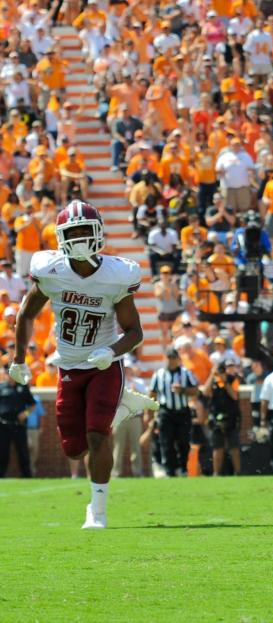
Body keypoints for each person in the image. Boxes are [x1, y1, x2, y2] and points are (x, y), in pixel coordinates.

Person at [11, 200, 145, 528]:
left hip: (102, 366)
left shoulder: (116, 275)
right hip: (69, 366)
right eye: (75, 232)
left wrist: (111, 352)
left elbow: (135, 331)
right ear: (61, 237)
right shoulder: (51, 271)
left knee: (98, 435)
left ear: (99, 232)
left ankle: (97, 511)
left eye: (87, 230)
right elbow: (26, 313)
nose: (82, 238)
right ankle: (122, 405)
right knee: (73, 450)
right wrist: (18, 358)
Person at [150, 348, 199, 477]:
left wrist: (183, 390)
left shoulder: (186, 373)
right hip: (165, 412)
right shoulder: (158, 375)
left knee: (184, 441)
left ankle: (183, 468)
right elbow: (152, 394)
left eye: (173, 358)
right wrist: (149, 414)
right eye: (169, 358)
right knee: (166, 442)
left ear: (178, 359)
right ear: (165, 359)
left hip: (182, 411)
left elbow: (195, 390)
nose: (171, 361)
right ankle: (169, 471)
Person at [202, 360, 242, 476]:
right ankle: (216, 473)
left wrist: (224, 381)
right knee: (217, 447)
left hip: (232, 418)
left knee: (234, 447)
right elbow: (205, 392)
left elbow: (234, 395)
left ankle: (238, 472)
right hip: (216, 418)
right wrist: (212, 374)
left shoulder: (233, 380)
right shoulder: (213, 382)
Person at [0, 365, 35, 477]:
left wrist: (25, 414)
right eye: (8, 373)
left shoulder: (23, 387)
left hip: (19, 425)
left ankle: (27, 476)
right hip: (3, 425)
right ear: (5, 374)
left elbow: (32, 404)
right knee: (2, 452)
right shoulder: (1, 387)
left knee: (23, 452)